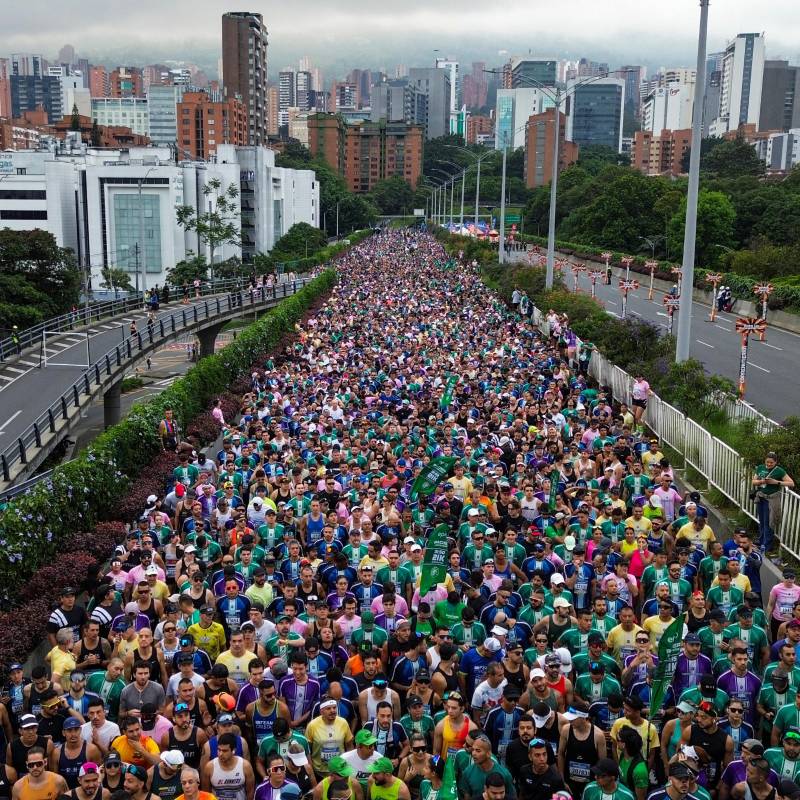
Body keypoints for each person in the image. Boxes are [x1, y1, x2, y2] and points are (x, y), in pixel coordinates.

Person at [751, 453, 794, 556]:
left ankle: (767, 545)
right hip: (761, 497)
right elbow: (753, 481)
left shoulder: (779, 471)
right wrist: (761, 481)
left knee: (768, 522)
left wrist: (776, 482)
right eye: (767, 462)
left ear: (776, 462)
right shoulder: (760, 468)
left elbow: (791, 483)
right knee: (761, 520)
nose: (769, 464)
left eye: (771, 462)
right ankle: (761, 540)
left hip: (771, 499)